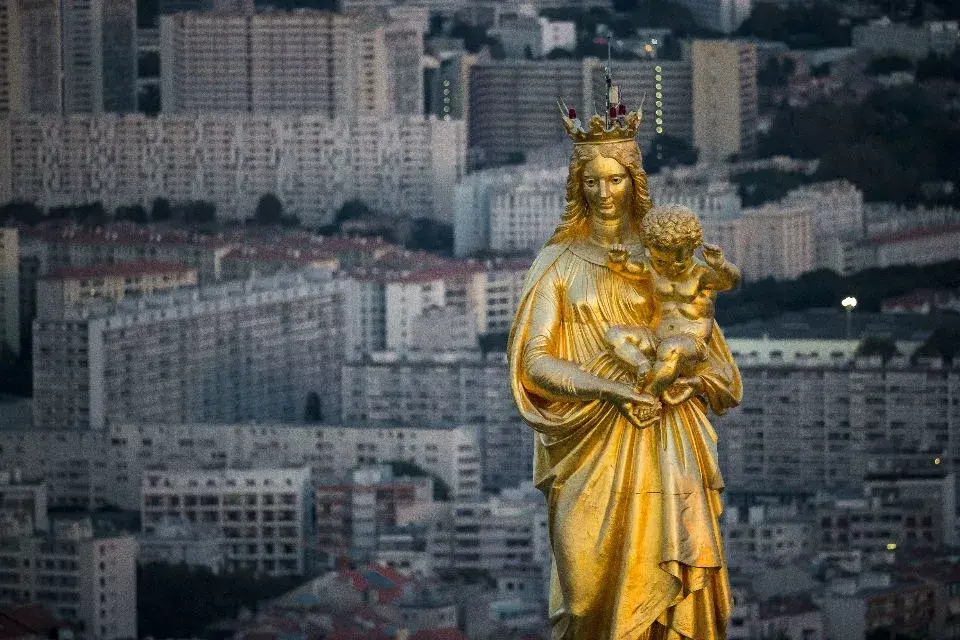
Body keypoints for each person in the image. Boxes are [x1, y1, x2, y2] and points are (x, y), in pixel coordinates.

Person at [507, 105, 742, 640]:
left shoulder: (666, 256)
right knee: (584, 600)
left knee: (670, 589)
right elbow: (534, 362)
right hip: (586, 443)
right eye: (591, 180)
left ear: (634, 182)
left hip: (665, 439)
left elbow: (716, 366)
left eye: (615, 178)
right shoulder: (558, 263)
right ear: (577, 185)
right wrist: (613, 389)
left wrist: (682, 376)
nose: (604, 192)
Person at [604, 204, 741, 405]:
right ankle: (643, 367)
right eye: (660, 261)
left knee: (671, 348)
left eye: (678, 262)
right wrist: (618, 262)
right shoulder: (652, 268)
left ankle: (648, 396)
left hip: (691, 345)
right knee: (614, 335)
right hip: (656, 338)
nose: (668, 268)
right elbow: (630, 269)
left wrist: (721, 265)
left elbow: (730, 282)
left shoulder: (701, 274)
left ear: (690, 250)